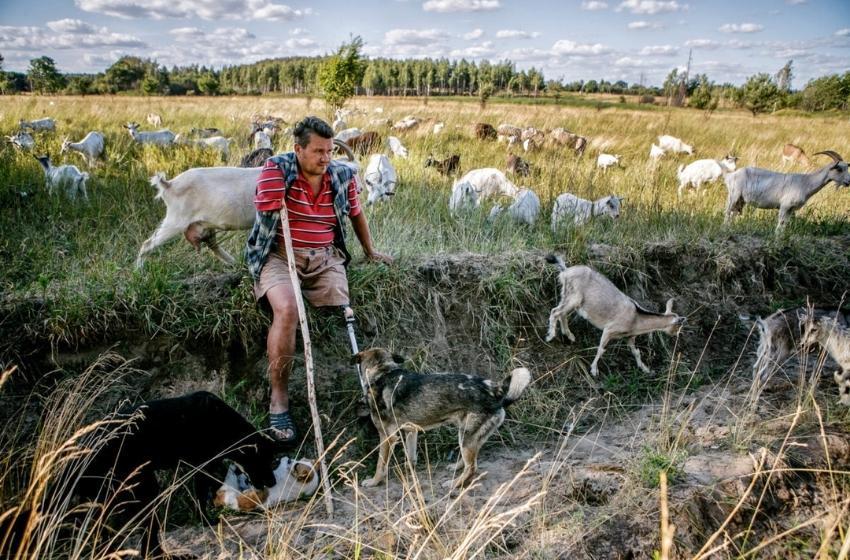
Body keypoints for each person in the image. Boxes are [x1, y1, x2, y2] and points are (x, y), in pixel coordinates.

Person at [245, 116, 392, 442]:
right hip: (280, 255)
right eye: (317, 152)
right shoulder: (276, 169)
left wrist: (371, 251)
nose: (325, 158)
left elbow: (355, 212)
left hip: (324, 256)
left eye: (329, 150)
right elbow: (263, 209)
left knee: (345, 313)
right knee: (287, 309)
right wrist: (277, 188)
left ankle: (367, 398)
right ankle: (278, 400)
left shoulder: (342, 174)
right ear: (298, 149)